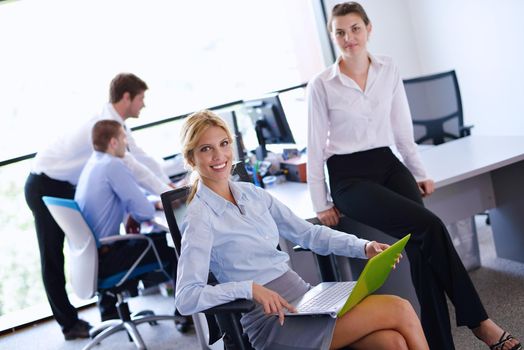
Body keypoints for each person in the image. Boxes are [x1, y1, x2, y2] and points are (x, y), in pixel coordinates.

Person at [306, 2, 522, 350]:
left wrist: (419, 171)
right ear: (332, 37)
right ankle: (481, 323)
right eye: (340, 32)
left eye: (355, 29)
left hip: (388, 164)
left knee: (423, 249)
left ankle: (438, 343)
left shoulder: (388, 68)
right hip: (348, 176)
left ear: (369, 29)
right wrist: (321, 201)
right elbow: (314, 147)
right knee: (431, 226)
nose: (349, 38)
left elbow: (402, 130)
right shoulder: (321, 84)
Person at [175, 110, 429, 350]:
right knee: (399, 308)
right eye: (206, 149)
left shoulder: (252, 194)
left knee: (392, 343)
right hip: (272, 321)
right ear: (190, 158)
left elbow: (309, 234)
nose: (219, 156)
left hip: (306, 299)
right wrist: (249, 288)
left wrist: (363, 247)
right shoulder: (199, 218)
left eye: (224, 144)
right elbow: (186, 297)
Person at [24, 72, 176, 339]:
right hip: (44, 183)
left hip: (60, 183)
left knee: (95, 231)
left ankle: (108, 311)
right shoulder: (106, 125)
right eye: (141, 98)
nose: (144, 104)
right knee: (52, 255)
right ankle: (68, 323)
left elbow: (141, 161)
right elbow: (135, 168)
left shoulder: (114, 126)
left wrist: (167, 188)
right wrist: (167, 193)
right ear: (126, 97)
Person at [75, 120, 176, 321]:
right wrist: (150, 206)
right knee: (173, 248)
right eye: (123, 138)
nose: (126, 143)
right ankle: (189, 315)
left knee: (157, 240)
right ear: (113, 142)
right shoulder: (113, 165)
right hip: (110, 258)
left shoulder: (95, 163)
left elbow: (132, 200)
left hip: (93, 259)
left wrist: (137, 208)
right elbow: (144, 211)